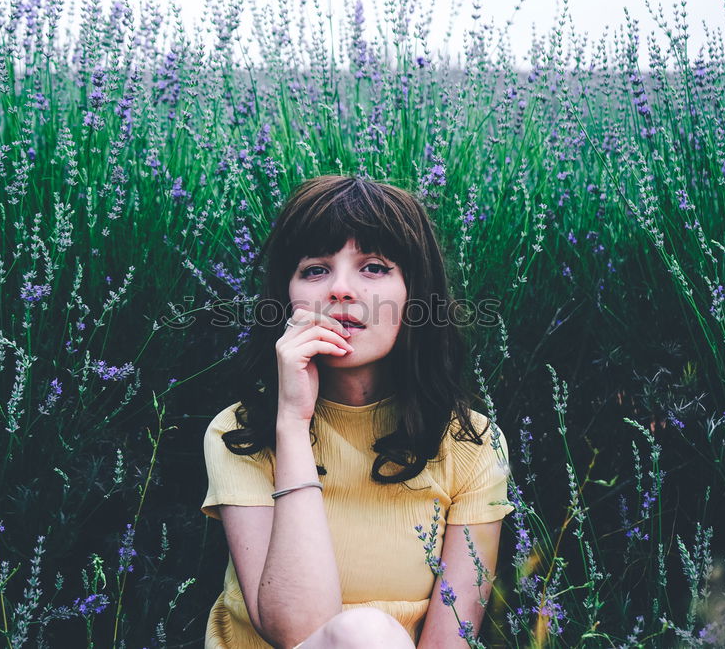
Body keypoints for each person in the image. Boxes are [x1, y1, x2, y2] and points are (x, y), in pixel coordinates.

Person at [201, 176, 513, 648]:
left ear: (414, 295)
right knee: (360, 634)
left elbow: (453, 641)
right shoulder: (240, 434)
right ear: (286, 297)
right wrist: (292, 423)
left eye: (372, 267)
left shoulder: (470, 443)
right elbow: (296, 632)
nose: (341, 289)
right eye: (314, 270)